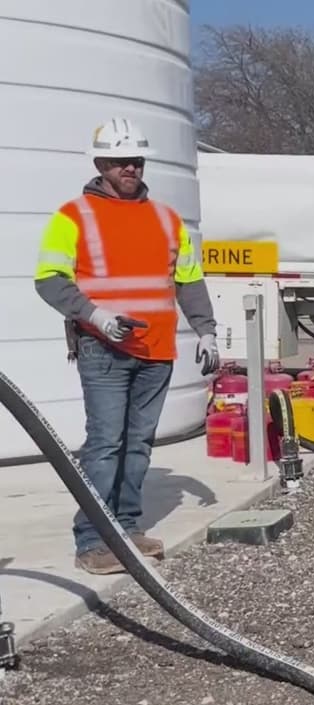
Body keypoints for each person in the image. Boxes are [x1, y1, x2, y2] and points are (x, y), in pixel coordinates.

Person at [33, 118, 220, 575]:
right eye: (120, 162)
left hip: (156, 351)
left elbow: (189, 280)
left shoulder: (165, 218)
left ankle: (127, 527)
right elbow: (49, 280)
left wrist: (207, 330)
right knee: (104, 446)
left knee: (137, 445)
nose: (130, 168)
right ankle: (93, 541)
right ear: (101, 164)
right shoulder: (73, 216)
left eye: (135, 160)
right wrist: (96, 316)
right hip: (103, 350)